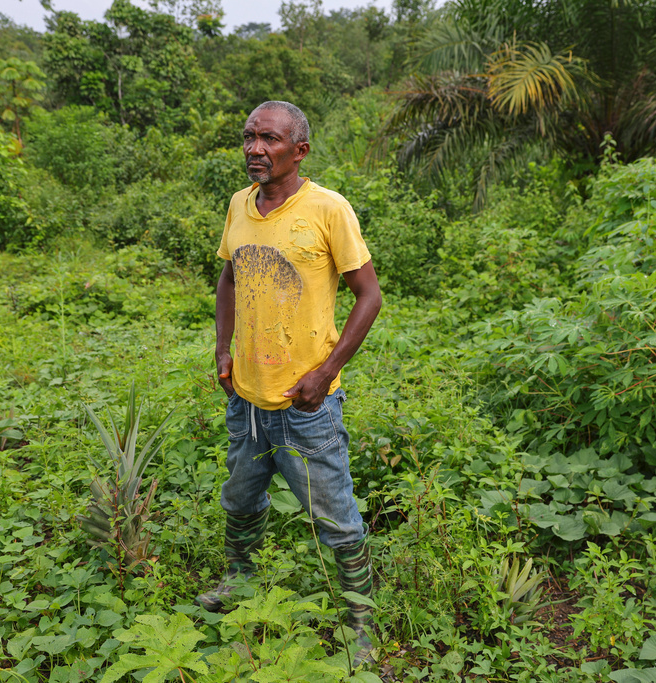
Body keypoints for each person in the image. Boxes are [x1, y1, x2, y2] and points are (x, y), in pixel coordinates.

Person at [198, 100, 383, 666]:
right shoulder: (238, 205)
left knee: (334, 513)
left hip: (307, 405)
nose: (256, 149)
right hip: (247, 400)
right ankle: (239, 579)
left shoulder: (328, 210)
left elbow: (369, 297)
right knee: (240, 496)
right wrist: (223, 348)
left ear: (298, 151)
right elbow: (229, 278)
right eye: (250, 137)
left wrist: (325, 374)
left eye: (270, 139)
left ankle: (360, 622)